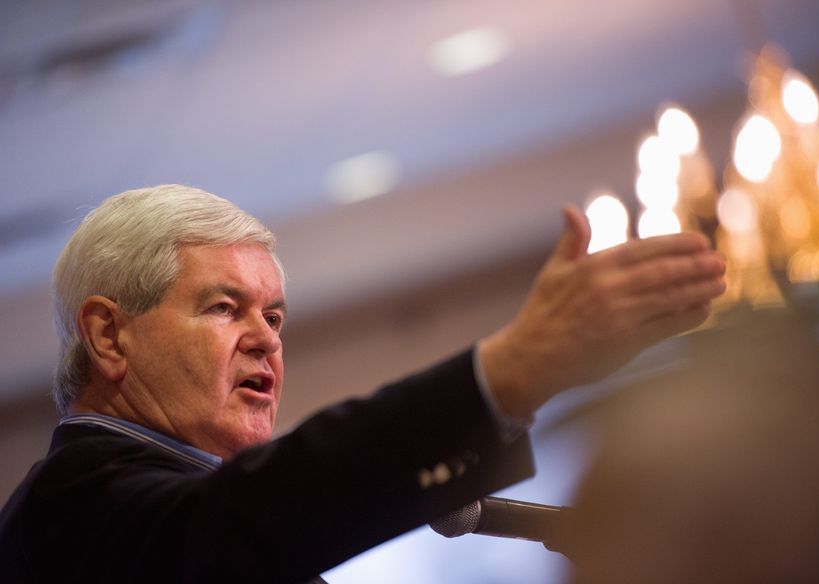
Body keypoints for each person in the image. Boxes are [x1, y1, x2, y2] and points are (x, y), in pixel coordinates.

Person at [0, 184, 726, 583]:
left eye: (274, 316)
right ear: (106, 335)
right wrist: (508, 373)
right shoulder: (75, 505)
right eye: (224, 307)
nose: (265, 338)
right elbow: (250, 514)